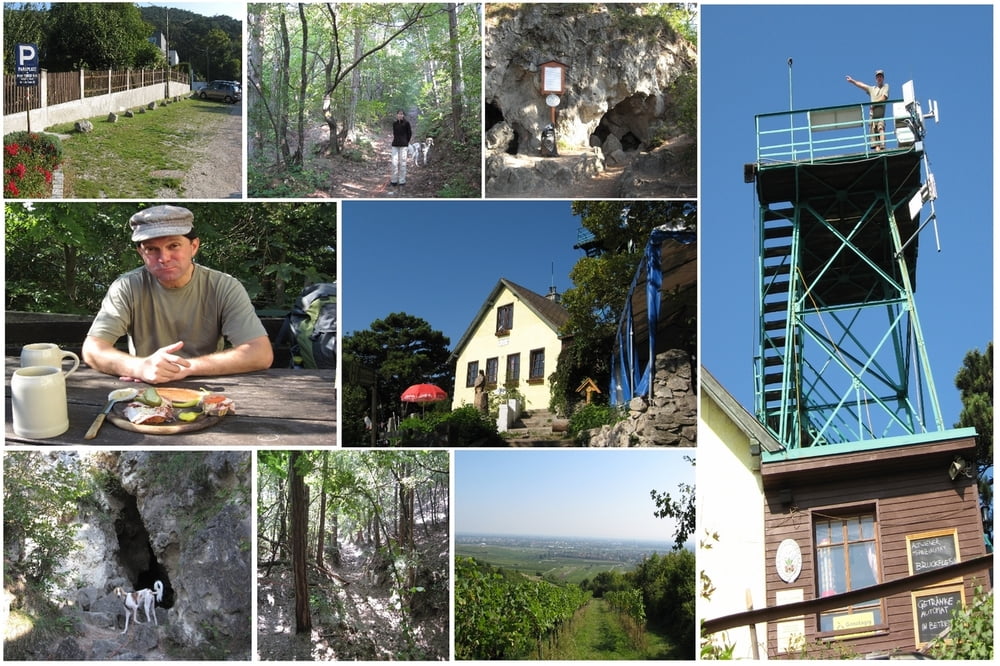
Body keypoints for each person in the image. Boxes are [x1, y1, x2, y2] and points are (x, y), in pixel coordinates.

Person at [82, 205, 274, 384]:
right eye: (151, 249)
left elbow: (260, 353)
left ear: (194, 246)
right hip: (146, 388)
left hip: (208, 386)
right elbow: (92, 349)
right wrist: (138, 367)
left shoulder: (224, 287)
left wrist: (187, 368)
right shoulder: (126, 287)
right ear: (141, 253)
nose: (163, 258)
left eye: (174, 246)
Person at [846, 69, 889, 151]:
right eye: (878, 77)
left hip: (880, 116)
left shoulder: (885, 86)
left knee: (881, 128)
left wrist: (873, 104)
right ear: (876, 79)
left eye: (880, 76)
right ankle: (878, 151)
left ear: (883, 78)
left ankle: (883, 147)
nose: (879, 78)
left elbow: (884, 98)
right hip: (872, 117)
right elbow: (862, 85)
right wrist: (852, 81)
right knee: (874, 138)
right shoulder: (872, 89)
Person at [390, 109, 412, 187]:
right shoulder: (394, 124)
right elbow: (394, 134)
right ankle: (394, 180)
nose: (400, 115)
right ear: (397, 115)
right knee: (394, 163)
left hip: (404, 145)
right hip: (395, 145)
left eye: (402, 114)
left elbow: (409, 134)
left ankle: (402, 181)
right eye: (399, 114)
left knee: (403, 163)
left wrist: (406, 141)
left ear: (403, 115)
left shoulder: (407, 123)